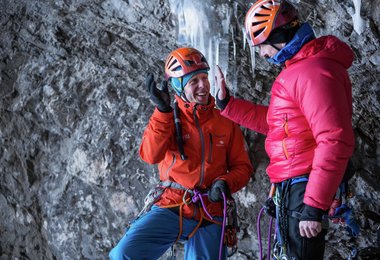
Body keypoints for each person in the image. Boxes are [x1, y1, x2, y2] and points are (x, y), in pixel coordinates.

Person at [214, 0, 355, 259]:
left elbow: (334, 139)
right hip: (296, 187)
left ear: (276, 36)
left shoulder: (312, 72)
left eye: (261, 46)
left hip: (304, 187)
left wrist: (313, 206)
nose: (261, 54)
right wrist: (228, 105)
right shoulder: (304, 69)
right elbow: (279, 125)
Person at [109, 47, 253, 259]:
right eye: (194, 81)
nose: (203, 85)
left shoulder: (225, 121)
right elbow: (150, 155)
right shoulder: (167, 118)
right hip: (172, 204)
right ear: (179, 86)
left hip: (210, 210)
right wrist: (162, 112)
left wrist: (225, 182)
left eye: (204, 78)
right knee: (123, 254)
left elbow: (243, 167)